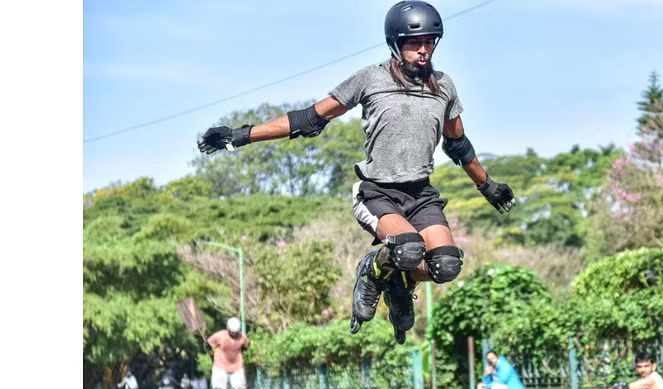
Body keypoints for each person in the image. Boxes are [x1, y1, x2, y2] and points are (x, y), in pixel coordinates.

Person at [197, 1, 516, 345]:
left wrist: (488, 186)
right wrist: (240, 135)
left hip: (421, 194)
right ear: (395, 43)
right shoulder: (370, 79)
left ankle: (400, 282)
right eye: (413, 42)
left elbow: (458, 145)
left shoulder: (443, 86)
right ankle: (373, 270)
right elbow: (308, 119)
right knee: (407, 250)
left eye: (429, 41)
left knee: (446, 265)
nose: (423, 50)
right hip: (378, 192)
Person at [206, 317, 250, 389]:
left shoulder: (242, 337)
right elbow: (207, 345)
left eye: (236, 332)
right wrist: (212, 357)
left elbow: (245, 347)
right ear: (228, 329)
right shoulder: (220, 335)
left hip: (237, 366)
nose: (234, 334)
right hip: (220, 366)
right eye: (232, 332)